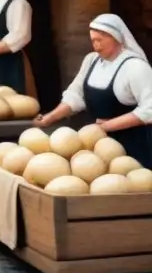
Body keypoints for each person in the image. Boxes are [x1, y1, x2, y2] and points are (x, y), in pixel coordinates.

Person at [36, 14, 152, 166]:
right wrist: (50, 118)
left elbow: (149, 109)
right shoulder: (92, 60)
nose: (96, 45)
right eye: (93, 40)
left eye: (100, 40)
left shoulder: (135, 67)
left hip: (133, 147)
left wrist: (107, 126)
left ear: (116, 38)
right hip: (98, 145)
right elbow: (76, 95)